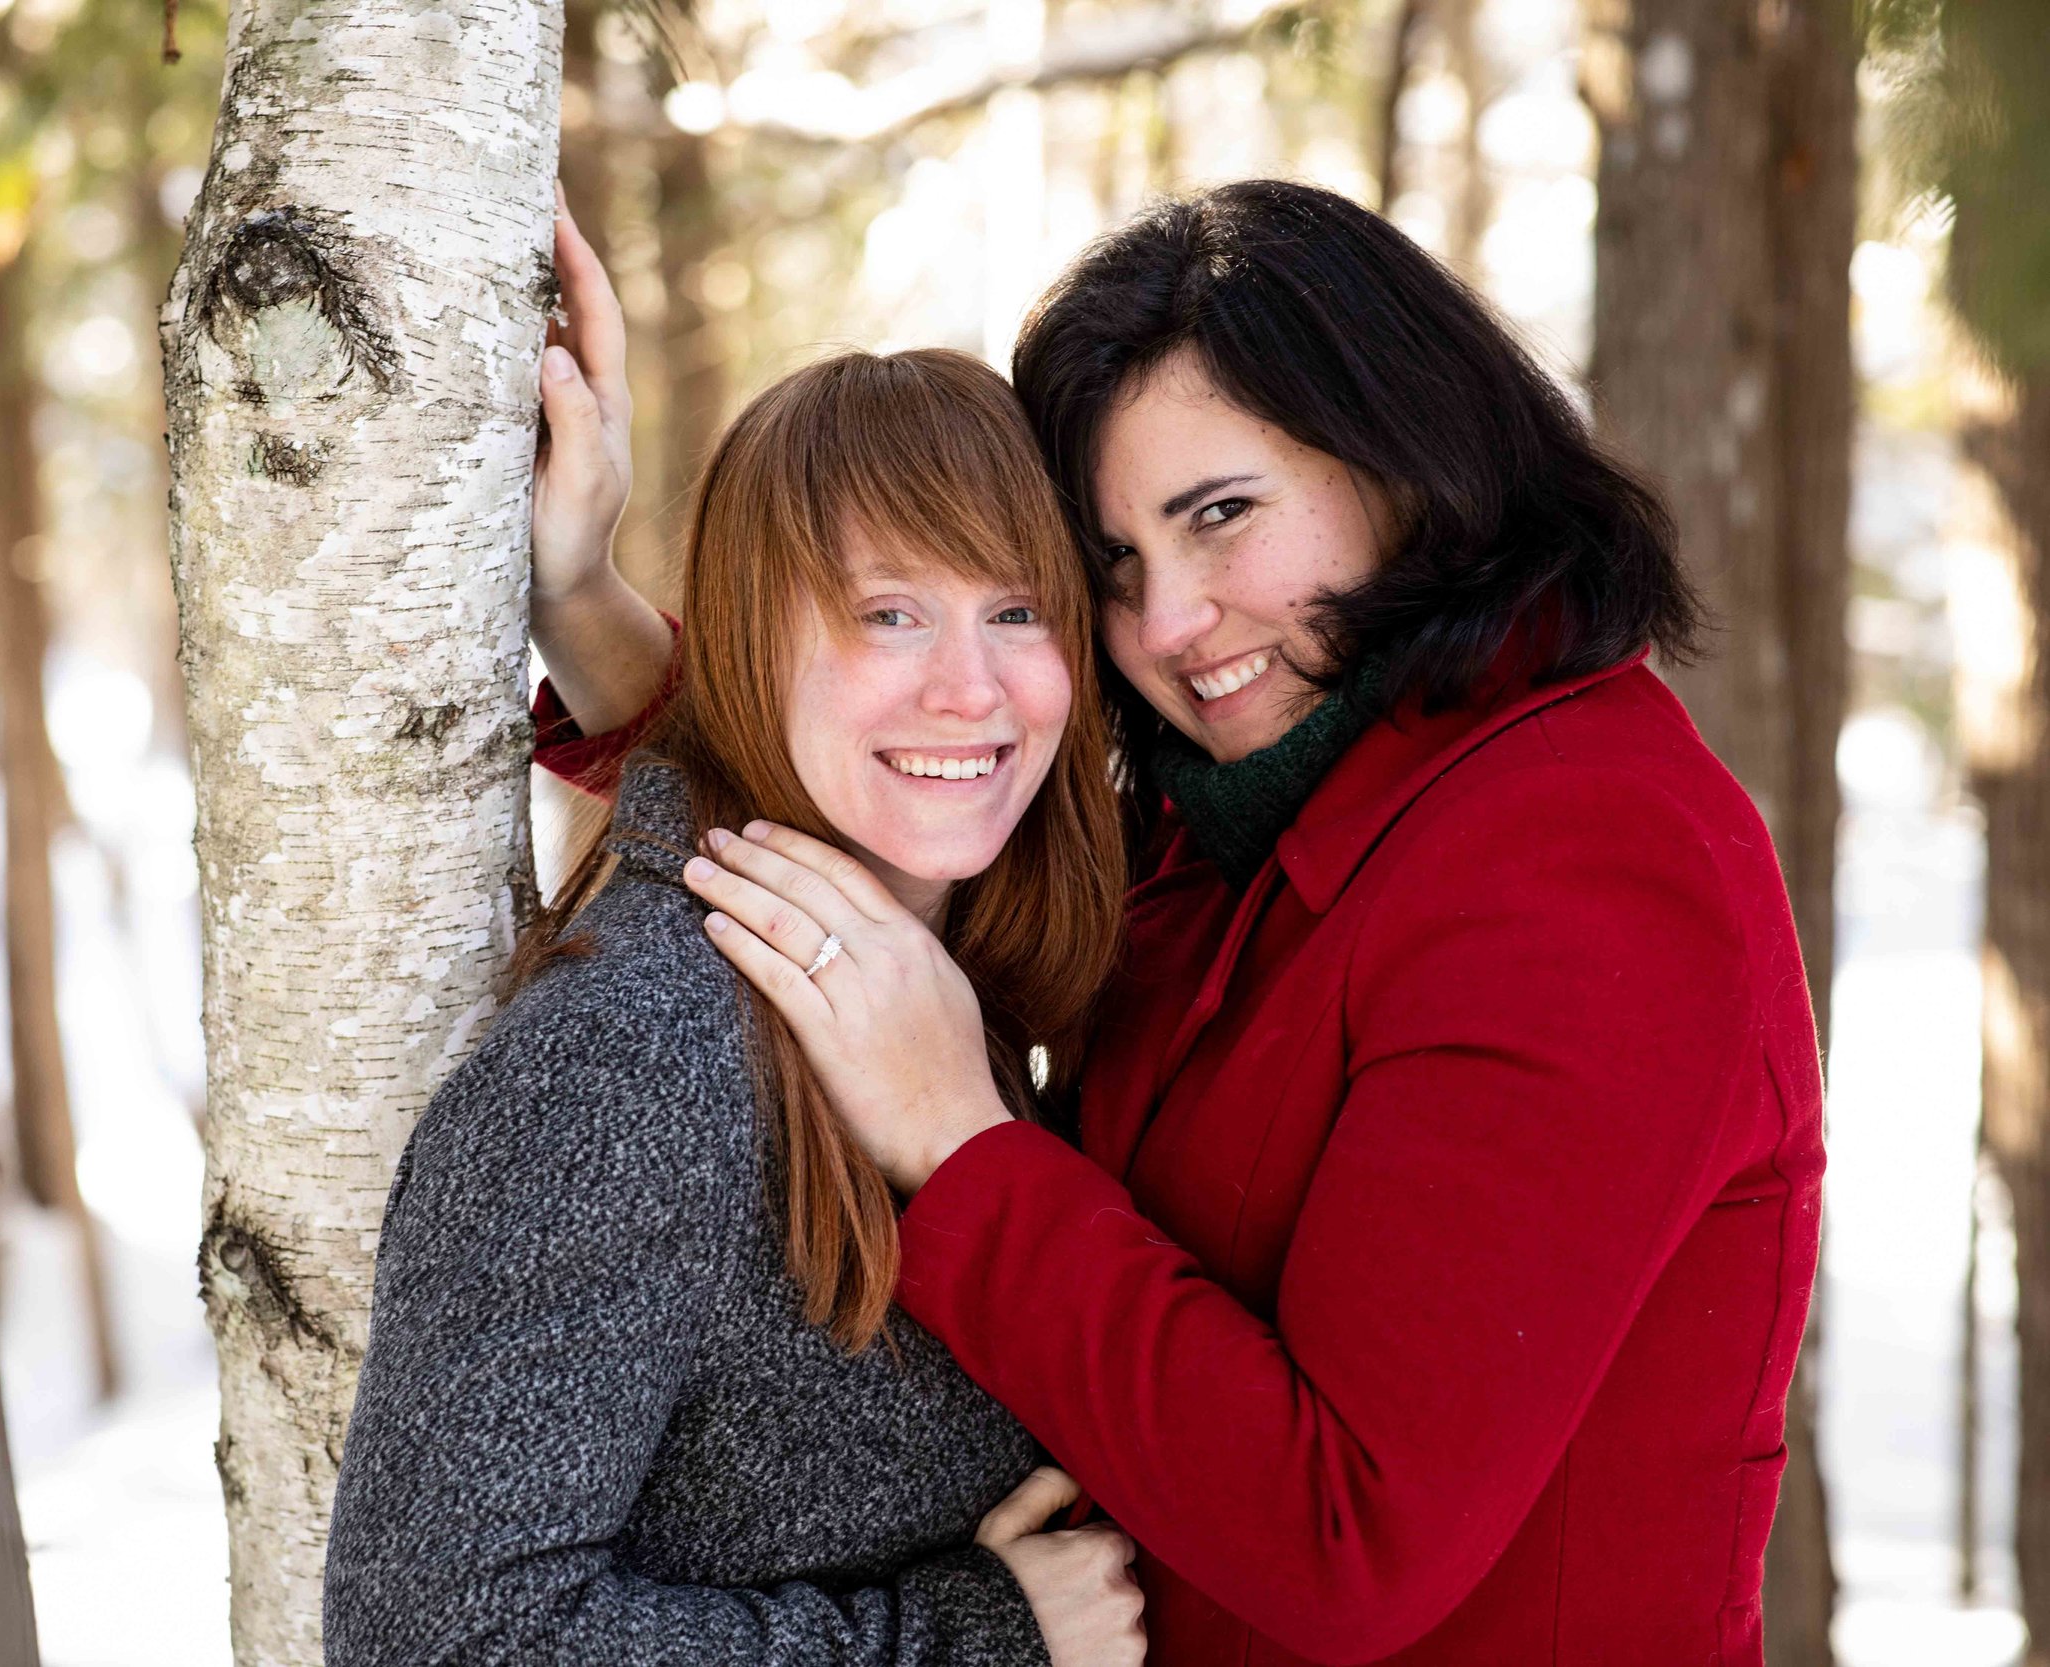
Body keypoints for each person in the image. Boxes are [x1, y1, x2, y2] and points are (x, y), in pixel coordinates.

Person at [532, 180, 1826, 1665]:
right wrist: (586, 609)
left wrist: (965, 1144)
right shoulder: (1250, 809)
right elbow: (913, 810)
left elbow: (1355, 1539)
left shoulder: (1584, 863)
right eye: (1114, 566)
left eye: (1222, 518)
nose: (1167, 627)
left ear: (1406, 450)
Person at [321, 200, 1147, 1667]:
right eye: (889, 614)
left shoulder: (974, 987)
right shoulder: (634, 1064)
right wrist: (974, 1641)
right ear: (758, 644)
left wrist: (575, 594)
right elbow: (437, 1640)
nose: (971, 690)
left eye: (1016, 611)